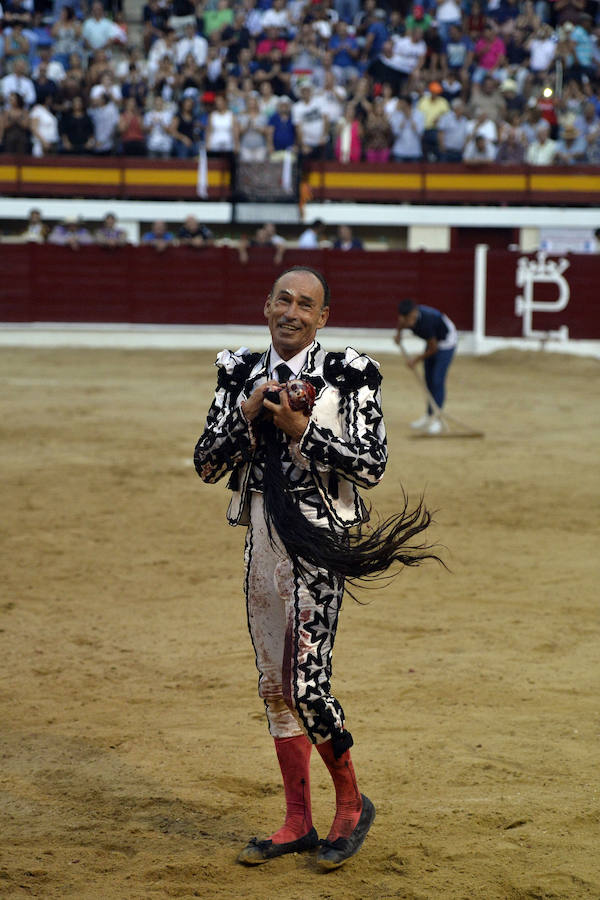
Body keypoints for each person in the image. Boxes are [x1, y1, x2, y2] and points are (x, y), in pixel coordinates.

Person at [194, 266, 438, 870]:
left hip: (320, 543)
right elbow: (205, 463)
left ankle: (351, 805)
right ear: (267, 306)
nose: (292, 311)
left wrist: (304, 432)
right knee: (274, 688)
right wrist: (247, 416)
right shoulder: (239, 373)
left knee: (306, 683)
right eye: (283, 299)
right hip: (262, 542)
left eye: (306, 304)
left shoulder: (349, 372)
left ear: (322, 318)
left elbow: (373, 465)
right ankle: (297, 820)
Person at [394, 298, 457, 435]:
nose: (411, 322)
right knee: (428, 379)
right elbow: (400, 323)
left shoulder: (427, 321)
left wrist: (415, 360)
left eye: (412, 317)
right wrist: (398, 335)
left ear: (416, 311)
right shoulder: (404, 319)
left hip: (446, 342)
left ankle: (437, 420)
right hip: (432, 342)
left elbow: (434, 349)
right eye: (407, 319)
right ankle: (429, 416)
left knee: (437, 380)